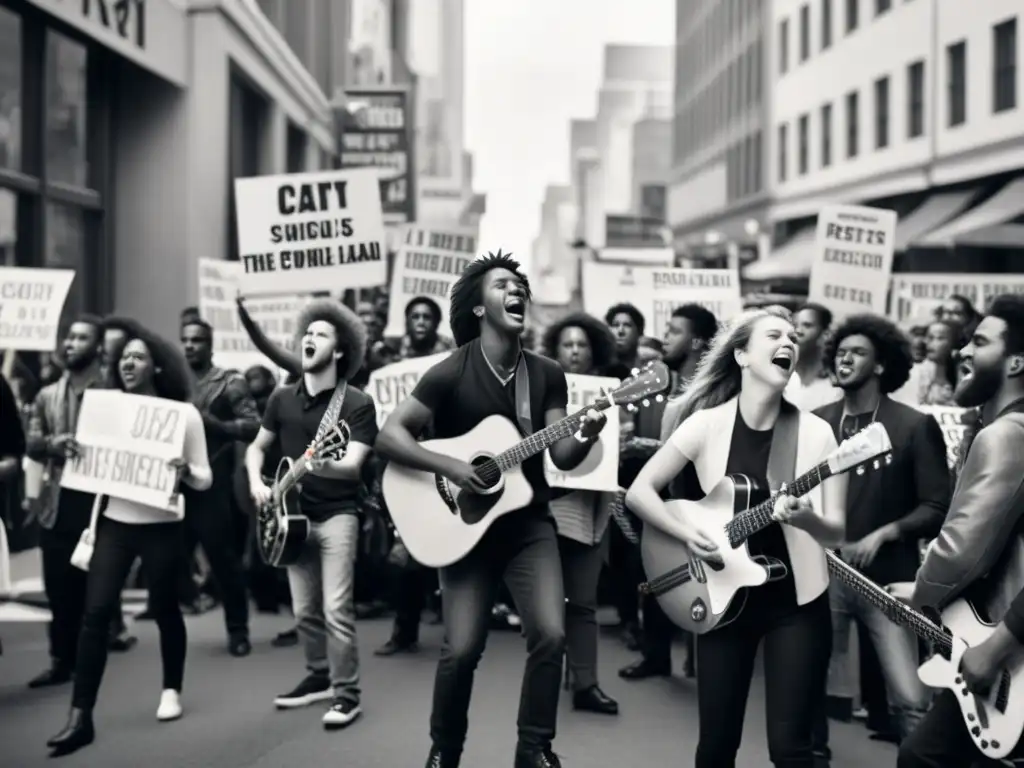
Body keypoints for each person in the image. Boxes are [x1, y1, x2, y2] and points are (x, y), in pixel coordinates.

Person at [375, 251, 608, 768]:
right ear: (480, 306)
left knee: (550, 633)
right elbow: (389, 437)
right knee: (460, 650)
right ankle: (445, 751)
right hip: (463, 529)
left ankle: (534, 749)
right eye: (503, 284)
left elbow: (563, 455)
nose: (516, 290)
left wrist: (587, 432)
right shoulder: (451, 370)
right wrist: (456, 469)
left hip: (528, 527)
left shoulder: (545, 374)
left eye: (520, 285)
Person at [625, 306, 847, 768]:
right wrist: (685, 534)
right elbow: (641, 493)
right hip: (721, 596)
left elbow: (837, 530)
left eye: (793, 337)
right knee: (716, 747)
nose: (788, 342)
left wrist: (805, 518)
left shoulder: (819, 433)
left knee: (791, 749)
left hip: (798, 603)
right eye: (773, 335)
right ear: (742, 355)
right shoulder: (706, 424)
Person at [47, 319, 212, 757]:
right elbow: (93, 466)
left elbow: (205, 479)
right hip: (116, 525)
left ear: (157, 367)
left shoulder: (183, 416)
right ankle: (80, 715)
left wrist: (186, 472)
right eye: (123, 358)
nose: (128, 364)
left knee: (164, 608)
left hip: (161, 527)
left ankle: (171, 688)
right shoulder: (107, 412)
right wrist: (74, 452)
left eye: (138, 357)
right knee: (95, 613)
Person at [811, 315, 950, 754]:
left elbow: (936, 506)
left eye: (858, 352)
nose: (844, 358)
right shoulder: (816, 423)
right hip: (823, 575)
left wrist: (886, 533)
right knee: (807, 683)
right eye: (840, 351)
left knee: (910, 698)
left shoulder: (913, 425)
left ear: (881, 365)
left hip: (886, 581)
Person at [898, 295, 1024, 768]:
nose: (961, 351)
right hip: (999, 641)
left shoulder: (1007, 435)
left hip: (1004, 649)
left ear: (1016, 361)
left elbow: (961, 551)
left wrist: (922, 596)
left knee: (920, 758)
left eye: (980, 341)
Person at [246, 300, 377, 730]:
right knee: (304, 611)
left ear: (339, 352)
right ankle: (320, 674)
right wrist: (257, 483)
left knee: (337, 606)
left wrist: (324, 464)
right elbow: (257, 449)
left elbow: (355, 464)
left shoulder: (357, 403)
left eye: (321, 335)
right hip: (291, 519)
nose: (309, 339)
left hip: (339, 514)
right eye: (308, 333)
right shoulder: (281, 398)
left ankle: (347, 694)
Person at [25, 317, 136, 691]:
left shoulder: (113, 393)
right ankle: (61, 661)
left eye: (81, 338)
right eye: (69, 337)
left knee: (95, 589)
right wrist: (51, 445)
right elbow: (31, 442)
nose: (71, 343)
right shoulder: (46, 395)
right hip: (57, 503)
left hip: (98, 504)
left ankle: (91, 659)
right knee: (58, 587)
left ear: (97, 347)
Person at [617, 303, 719, 681]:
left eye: (674, 331)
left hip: (703, 500)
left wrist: (650, 448)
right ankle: (656, 655)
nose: (665, 339)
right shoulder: (660, 386)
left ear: (695, 341)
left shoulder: (716, 392)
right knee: (657, 576)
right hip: (663, 498)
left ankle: (707, 660)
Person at [539, 311, 620, 715]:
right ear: (554, 350)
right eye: (567, 344)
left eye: (582, 344)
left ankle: (586, 683)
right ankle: (549, 682)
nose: (574, 351)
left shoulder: (611, 394)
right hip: (550, 510)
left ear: (595, 351)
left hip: (592, 510)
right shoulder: (536, 391)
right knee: (550, 606)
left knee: (583, 602)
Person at [179, 317, 260, 656]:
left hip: (213, 484)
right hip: (175, 483)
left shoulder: (230, 382)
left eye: (197, 340)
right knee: (168, 559)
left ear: (210, 345)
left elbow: (255, 426)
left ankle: (238, 631)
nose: (189, 345)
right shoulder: (172, 383)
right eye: (185, 340)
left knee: (223, 560)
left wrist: (218, 425)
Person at [787, 303, 841, 411]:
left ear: (825, 334)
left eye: (807, 325)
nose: (797, 331)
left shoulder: (834, 388)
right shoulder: (778, 378)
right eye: (794, 325)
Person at [604, 303, 644, 373]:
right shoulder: (600, 369)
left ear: (639, 332)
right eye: (615, 325)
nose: (620, 331)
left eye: (627, 325)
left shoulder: (647, 369)